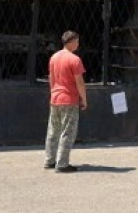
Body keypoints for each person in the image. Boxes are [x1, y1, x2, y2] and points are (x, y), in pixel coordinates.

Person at [44, 30, 88, 172]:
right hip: (69, 99)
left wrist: (53, 92)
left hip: (55, 98)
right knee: (67, 132)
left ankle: (49, 160)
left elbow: (51, 78)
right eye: (77, 41)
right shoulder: (75, 60)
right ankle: (62, 163)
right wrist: (84, 99)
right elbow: (79, 82)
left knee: (53, 131)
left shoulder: (54, 58)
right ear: (72, 41)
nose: (78, 44)